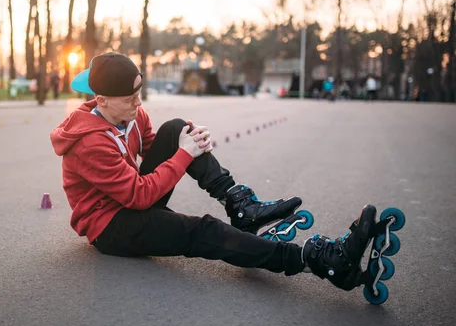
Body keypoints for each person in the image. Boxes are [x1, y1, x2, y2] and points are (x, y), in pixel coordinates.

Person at [50, 52, 379, 293]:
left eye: (140, 96)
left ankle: (241, 206)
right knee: (201, 231)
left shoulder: (132, 115)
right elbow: (138, 196)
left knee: (179, 128)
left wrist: (189, 143)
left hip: (133, 201)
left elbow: (156, 149)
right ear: (102, 100)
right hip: (111, 226)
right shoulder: (89, 144)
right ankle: (319, 261)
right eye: (130, 99)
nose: (138, 105)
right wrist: (183, 154)